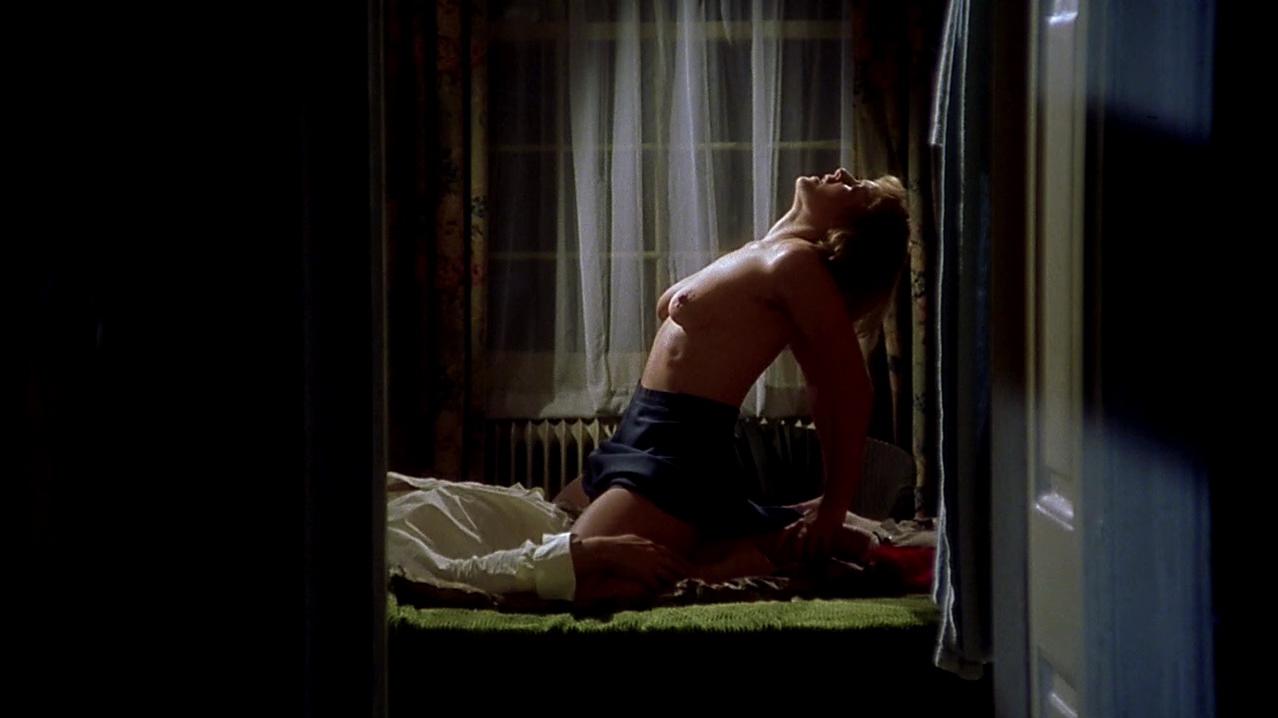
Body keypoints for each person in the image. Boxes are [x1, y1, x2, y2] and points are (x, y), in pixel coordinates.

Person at [570, 167, 910, 587]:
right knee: (549, 542)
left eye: (856, 188)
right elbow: (822, 383)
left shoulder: (796, 266)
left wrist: (833, 507)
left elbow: (847, 388)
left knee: (577, 574)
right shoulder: (767, 251)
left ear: (851, 227)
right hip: (639, 429)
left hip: (680, 451)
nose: (842, 173)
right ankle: (750, 542)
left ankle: (727, 564)